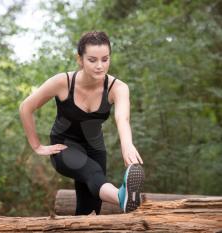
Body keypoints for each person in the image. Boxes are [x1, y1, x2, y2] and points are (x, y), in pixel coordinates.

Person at [19, 31, 145, 215]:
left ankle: (117, 200)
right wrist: (36, 146)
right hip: (64, 147)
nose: (100, 66)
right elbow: (25, 107)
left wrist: (127, 144)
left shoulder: (117, 88)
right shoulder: (63, 82)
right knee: (92, 172)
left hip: (95, 148)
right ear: (80, 59)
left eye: (105, 59)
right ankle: (121, 197)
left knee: (89, 211)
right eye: (92, 60)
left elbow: (122, 118)